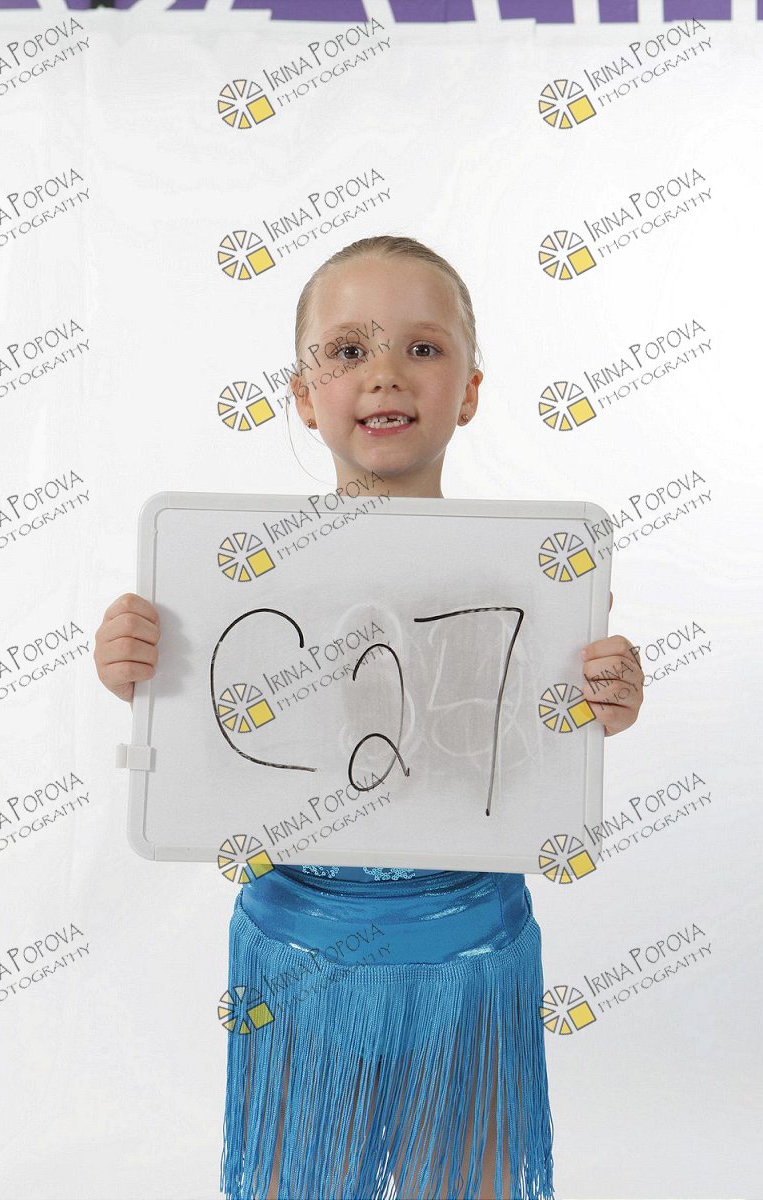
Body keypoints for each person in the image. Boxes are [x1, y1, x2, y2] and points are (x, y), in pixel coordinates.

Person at [94, 235, 644, 1200]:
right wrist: (139, 669)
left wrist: (606, 698)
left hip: (471, 950)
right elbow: (198, 735)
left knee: (473, 1180)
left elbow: (537, 746)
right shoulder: (230, 576)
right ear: (304, 397)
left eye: (422, 349)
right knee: (295, 1181)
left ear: (469, 391)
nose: (385, 373)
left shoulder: (528, 577)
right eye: (348, 350)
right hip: (298, 950)